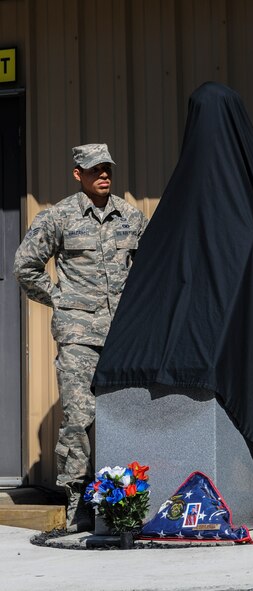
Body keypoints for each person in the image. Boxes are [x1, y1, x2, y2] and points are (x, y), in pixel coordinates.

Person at [14, 144, 147, 532]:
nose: (103, 175)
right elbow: (25, 265)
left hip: (124, 336)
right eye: (95, 170)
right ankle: (78, 501)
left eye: (107, 169)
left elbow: (149, 270)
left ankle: (127, 501)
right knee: (79, 417)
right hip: (79, 336)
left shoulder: (131, 217)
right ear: (78, 174)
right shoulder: (58, 217)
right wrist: (60, 300)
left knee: (126, 416)